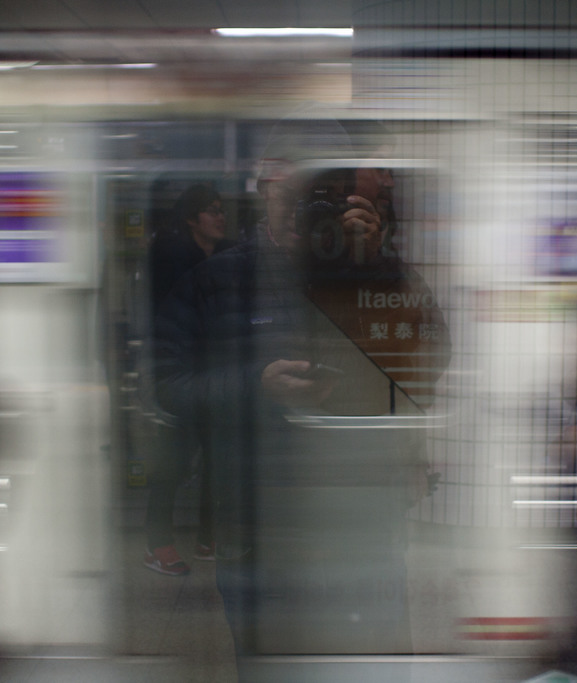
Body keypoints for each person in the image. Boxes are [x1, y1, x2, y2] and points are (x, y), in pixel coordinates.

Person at [152, 117, 449, 677]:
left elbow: (433, 360)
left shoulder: (374, 268)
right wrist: (253, 385)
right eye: (293, 194)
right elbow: (165, 386)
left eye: (325, 195)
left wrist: (378, 268)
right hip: (255, 524)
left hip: (361, 520)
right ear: (264, 187)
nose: (304, 211)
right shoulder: (216, 280)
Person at [142, 184, 236, 575]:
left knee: (219, 459)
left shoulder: (230, 256)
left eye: (221, 210)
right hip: (181, 375)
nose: (220, 217)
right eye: (211, 210)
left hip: (218, 371)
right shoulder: (170, 259)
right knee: (174, 464)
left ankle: (207, 537)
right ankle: (157, 543)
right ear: (191, 218)